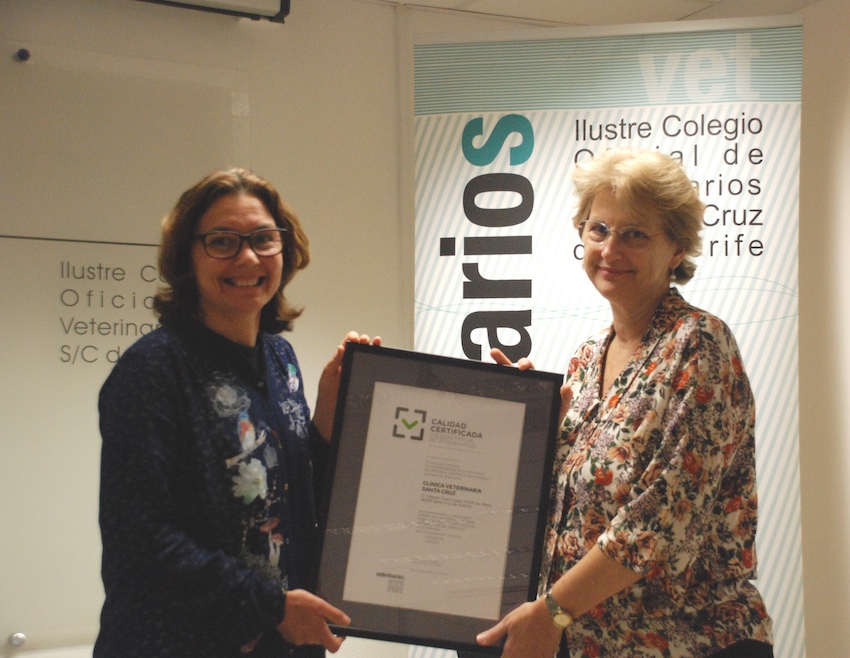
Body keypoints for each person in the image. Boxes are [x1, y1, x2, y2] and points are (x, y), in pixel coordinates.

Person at [477, 149, 773, 657]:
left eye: (635, 234)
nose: (611, 249)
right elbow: (563, 511)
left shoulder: (699, 343)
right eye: (599, 230)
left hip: (693, 642)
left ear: (677, 249)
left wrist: (551, 612)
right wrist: (517, 432)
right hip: (595, 642)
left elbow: (660, 521)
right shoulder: (587, 357)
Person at [95, 168, 379, 657]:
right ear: (188, 256)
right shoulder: (152, 371)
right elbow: (140, 542)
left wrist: (327, 417)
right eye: (222, 241)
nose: (248, 257)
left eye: (264, 239)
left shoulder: (279, 359)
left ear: (285, 250)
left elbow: (282, 495)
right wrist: (272, 607)